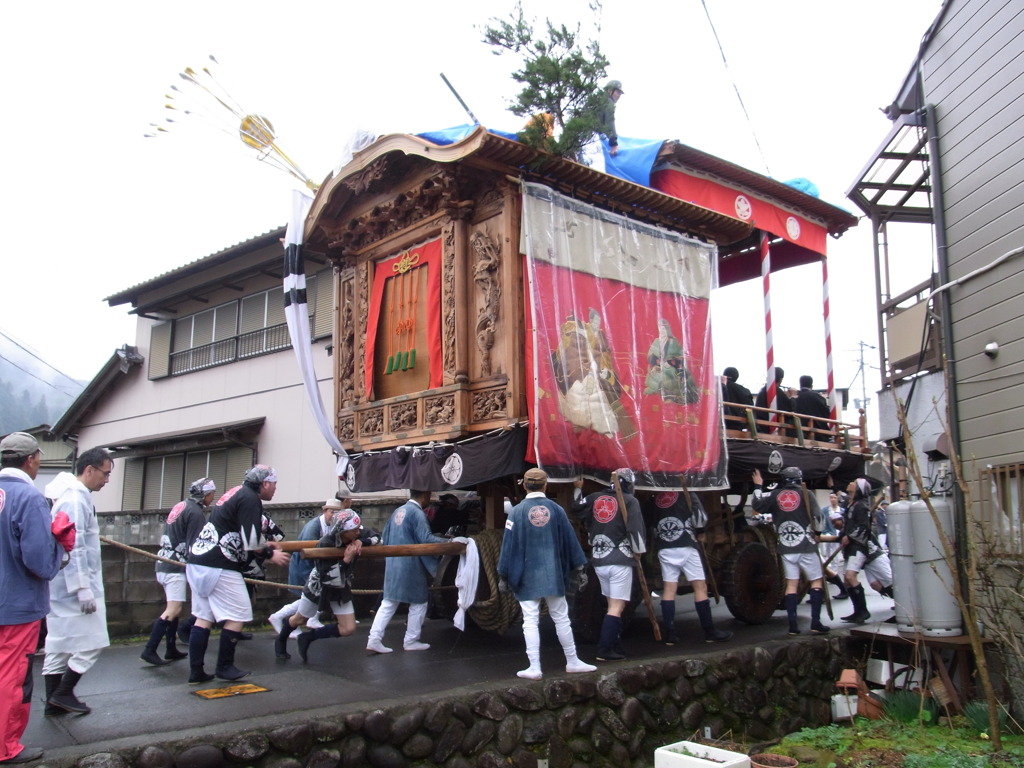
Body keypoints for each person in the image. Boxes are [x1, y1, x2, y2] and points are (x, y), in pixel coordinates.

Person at [185, 465, 289, 683]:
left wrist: (264, 544)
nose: (275, 490)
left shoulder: (235, 492)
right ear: (265, 483)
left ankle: (196, 671)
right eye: (275, 485)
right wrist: (271, 553)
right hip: (219, 562)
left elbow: (241, 533)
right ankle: (224, 666)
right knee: (240, 612)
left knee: (203, 618)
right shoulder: (251, 498)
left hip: (198, 560)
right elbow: (250, 540)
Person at [0, 433, 68, 763]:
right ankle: (5, 747)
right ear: (30, 460)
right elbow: (40, 563)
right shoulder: (29, 498)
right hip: (18, 604)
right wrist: (61, 547)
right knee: (12, 677)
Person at [497, 468, 597, 680]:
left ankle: (534, 667)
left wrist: (503, 574)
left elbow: (508, 546)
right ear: (546, 485)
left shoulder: (516, 512)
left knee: (530, 620)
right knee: (561, 618)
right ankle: (572, 661)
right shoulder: (557, 510)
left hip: (526, 575)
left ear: (524, 486)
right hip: (552, 573)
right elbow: (572, 541)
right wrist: (580, 568)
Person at [43, 447, 114, 716]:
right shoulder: (75, 498)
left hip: (61, 582)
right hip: (76, 584)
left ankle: (53, 701)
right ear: (89, 470)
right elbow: (74, 545)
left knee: (59, 641)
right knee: (94, 641)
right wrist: (82, 586)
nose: (106, 480)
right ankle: (63, 692)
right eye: (105, 474)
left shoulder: (69, 495)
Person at [366, 490, 459, 654]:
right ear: (425, 496)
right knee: (419, 602)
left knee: (388, 603)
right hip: (411, 564)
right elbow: (427, 539)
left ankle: (374, 639)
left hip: (393, 563)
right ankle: (411, 639)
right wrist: (450, 541)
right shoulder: (417, 514)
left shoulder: (397, 511)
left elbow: (385, 538)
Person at [275, 509, 373, 662]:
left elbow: (376, 537)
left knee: (348, 628)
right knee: (299, 619)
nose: (358, 532)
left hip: (341, 587)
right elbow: (326, 577)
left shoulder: (357, 535)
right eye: (354, 530)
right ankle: (281, 639)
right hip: (319, 587)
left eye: (358, 529)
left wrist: (363, 541)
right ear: (343, 531)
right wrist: (346, 560)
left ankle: (308, 637)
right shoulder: (325, 543)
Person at [572, 469, 647, 661]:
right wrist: (638, 553)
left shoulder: (595, 498)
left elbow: (577, 508)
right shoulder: (630, 501)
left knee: (610, 605)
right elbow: (636, 530)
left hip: (599, 559)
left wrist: (578, 490)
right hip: (620, 559)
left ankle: (616, 644)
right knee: (616, 606)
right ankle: (604, 649)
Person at [141, 477, 216, 666]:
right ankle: (150, 649)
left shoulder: (181, 506)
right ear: (205, 494)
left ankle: (170, 648)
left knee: (175, 609)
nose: (213, 497)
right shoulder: (196, 513)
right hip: (175, 566)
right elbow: (195, 546)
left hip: (164, 562)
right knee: (173, 609)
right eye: (212, 493)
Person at [643, 490, 732, 645]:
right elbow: (699, 517)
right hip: (686, 544)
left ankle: (670, 634)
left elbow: (647, 521)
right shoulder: (685, 492)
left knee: (669, 588)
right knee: (700, 586)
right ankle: (709, 631)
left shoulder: (654, 497)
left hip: (665, 545)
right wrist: (701, 531)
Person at [750, 466, 829, 636]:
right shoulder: (807, 494)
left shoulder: (775, 495)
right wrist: (818, 533)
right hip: (806, 544)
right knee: (816, 581)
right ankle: (815, 622)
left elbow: (756, 504)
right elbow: (820, 517)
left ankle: (793, 626)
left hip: (786, 545)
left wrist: (758, 485)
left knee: (791, 585)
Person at [268, 498, 345, 640]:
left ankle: (305, 619)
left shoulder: (335, 526)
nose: (334, 516)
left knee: (313, 597)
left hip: (319, 568)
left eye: (338, 513)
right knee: (309, 597)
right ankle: (279, 617)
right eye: (332, 512)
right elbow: (307, 556)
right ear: (324, 511)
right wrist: (312, 578)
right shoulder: (313, 527)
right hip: (304, 567)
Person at [840, 478, 894, 624]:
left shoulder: (861, 506)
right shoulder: (851, 504)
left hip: (866, 550)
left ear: (858, 488)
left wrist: (849, 537)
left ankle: (905, 608)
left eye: (854, 482)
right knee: (870, 584)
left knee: (888, 582)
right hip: (854, 548)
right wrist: (843, 535)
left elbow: (863, 528)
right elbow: (848, 526)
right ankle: (859, 611)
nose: (850, 483)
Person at [643, 318, 700, 406]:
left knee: (670, 375)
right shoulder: (656, 341)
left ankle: (672, 395)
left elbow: (680, 356)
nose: (661, 330)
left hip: (671, 366)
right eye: (659, 328)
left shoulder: (673, 342)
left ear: (667, 329)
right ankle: (662, 393)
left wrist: (669, 362)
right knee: (653, 374)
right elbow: (651, 355)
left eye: (663, 328)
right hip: (658, 365)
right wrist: (655, 365)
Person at [817, 493, 849, 600]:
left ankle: (843, 589)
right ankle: (818, 595)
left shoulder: (844, 515)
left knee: (825, 570)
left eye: (834, 497)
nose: (835, 524)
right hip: (827, 536)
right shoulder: (825, 510)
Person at [754, 367, 793, 434]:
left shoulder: (763, 390)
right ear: (780, 379)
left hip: (759, 425)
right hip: (770, 428)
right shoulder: (776, 391)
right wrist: (792, 397)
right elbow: (790, 410)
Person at [794, 375, 832, 440]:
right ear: (811, 385)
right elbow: (827, 414)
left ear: (800, 385)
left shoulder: (795, 397)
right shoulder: (818, 397)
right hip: (819, 432)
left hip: (799, 432)